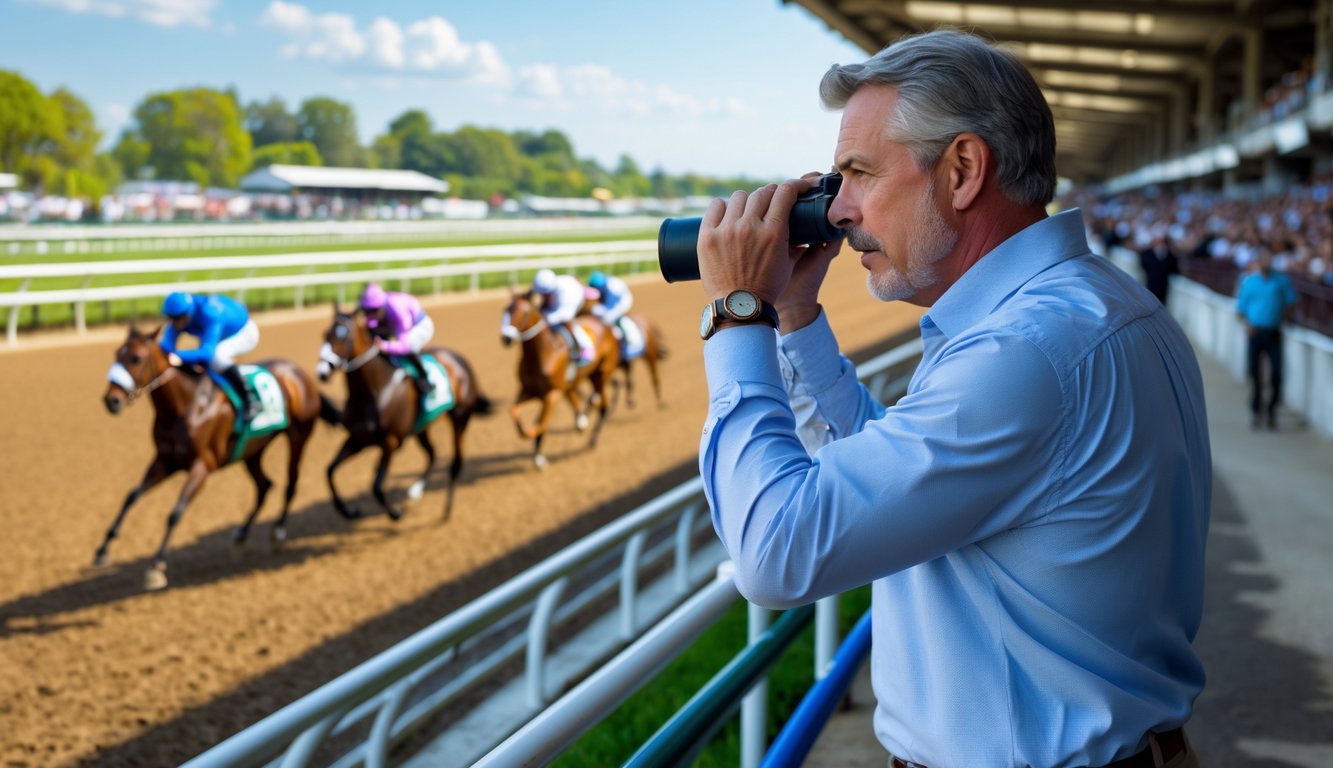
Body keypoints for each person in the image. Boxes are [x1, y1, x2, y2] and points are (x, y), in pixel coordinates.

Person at [695, 30, 1210, 768]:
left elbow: (777, 552)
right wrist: (798, 319)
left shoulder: (1025, 352)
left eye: (858, 173)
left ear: (963, 170)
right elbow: (901, 476)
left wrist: (738, 312)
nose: (837, 211)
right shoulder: (1086, 308)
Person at [159, 291, 262, 420]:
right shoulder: (182, 316)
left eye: (177, 318)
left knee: (218, 356)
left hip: (244, 332)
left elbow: (207, 353)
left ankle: (251, 400)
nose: (174, 324)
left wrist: (178, 356)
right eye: (171, 318)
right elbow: (165, 348)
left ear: (188, 313)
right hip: (222, 330)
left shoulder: (209, 314)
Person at [1236, 251, 1297, 429]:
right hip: (1256, 332)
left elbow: (1291, 302)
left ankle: (1271, 410)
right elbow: (1240, 310)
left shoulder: (1281, 280)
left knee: (1276, 374)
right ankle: (1256, 411)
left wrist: (1286, 319)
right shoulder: (1250, 282)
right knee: (1255, 374)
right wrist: (1248, 325)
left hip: (1273, 332)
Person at [359, 283, 435, 393]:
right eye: (367, 311)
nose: (370, 316)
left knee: (410, 346)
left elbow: (404, 345)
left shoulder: (398, 310)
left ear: (380, 307)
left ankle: (425, 378)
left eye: (373, 312)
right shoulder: (377, 307)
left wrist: (386, 346)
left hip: (418, 327)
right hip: (393, 324)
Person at [532, 268, 591, 362]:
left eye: (546, 294)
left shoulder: (568, 296)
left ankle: (585, 347)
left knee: (569, 323)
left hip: (576, 298)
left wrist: (545, 317)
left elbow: (564, 316)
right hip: (563, 295)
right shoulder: (546, 285)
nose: (543, 296)